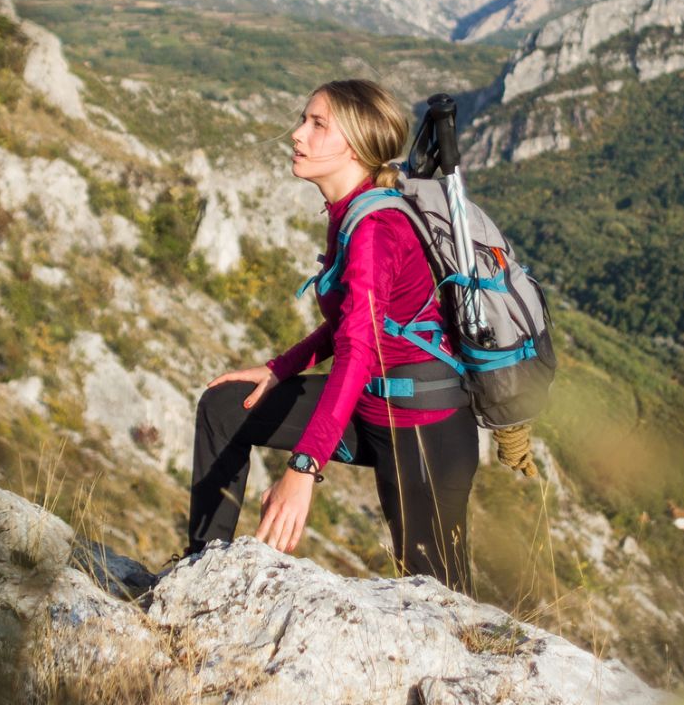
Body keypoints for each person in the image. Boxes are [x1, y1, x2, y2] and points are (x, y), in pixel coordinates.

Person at [187, 78, 478, 593]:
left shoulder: (373, 231)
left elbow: (358, 351)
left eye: (317, 124)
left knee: (440, 597)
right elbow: (358, 324)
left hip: (422, 428)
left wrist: (303, 469)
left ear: (357, 143)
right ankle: (204, 575)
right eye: (304, 119)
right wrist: (280, 369)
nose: (298, 134)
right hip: (368, 404)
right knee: (226, 407)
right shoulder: (350, 210)